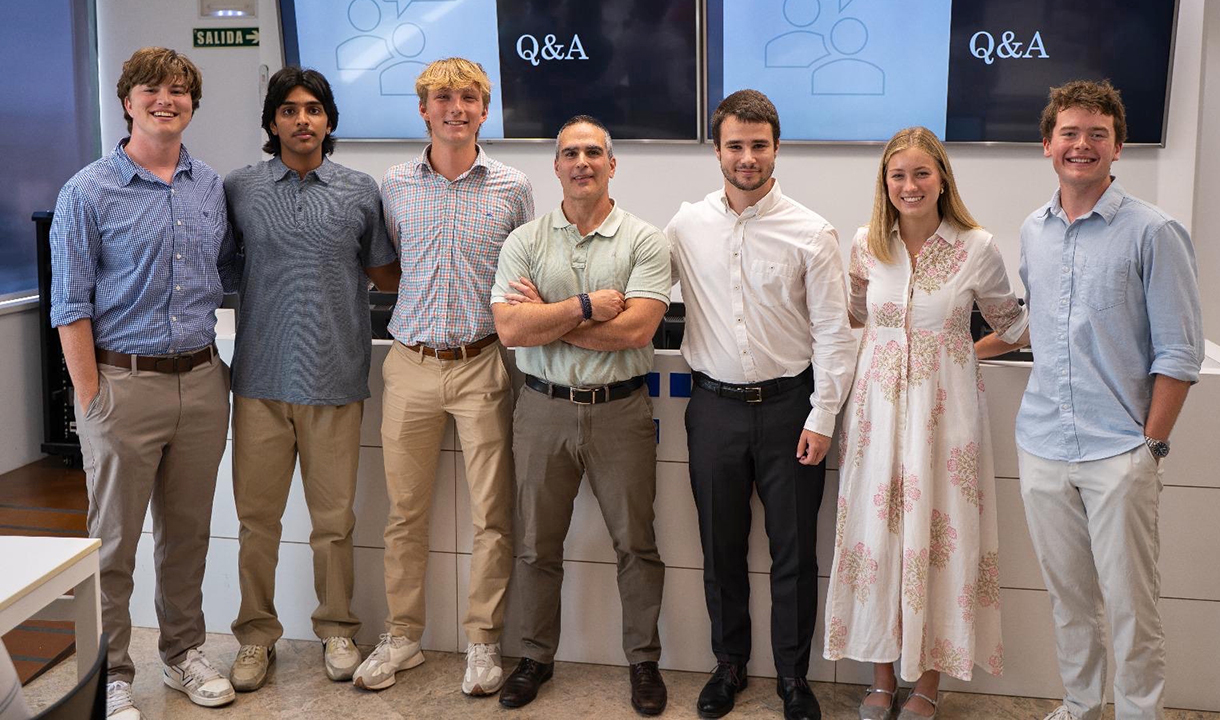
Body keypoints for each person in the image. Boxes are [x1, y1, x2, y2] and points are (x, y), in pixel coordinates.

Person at [48, 47, 239, 719]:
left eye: (180, 90)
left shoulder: (208, 184)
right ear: (126, 101)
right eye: (152, 89)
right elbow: (69, 304)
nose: (167, 99)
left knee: (187, 537)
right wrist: (91, 396)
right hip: (123, 386)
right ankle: (112, 672)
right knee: (115, 545)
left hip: (201, 381)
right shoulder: (88, 191)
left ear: (192, 104)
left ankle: (184, 653)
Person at [823, 126, 1028, 720]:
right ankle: (880, 678)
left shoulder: (977, 246)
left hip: (946, 419)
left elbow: (1012, 326)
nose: (909, 186)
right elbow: (856, 317)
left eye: (920, 174)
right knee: (877, 536)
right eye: (897, 175)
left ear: (942, 179)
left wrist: (957, 350)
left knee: (941, 538)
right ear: (884, 184)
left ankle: (929, 683)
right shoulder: (867, 244)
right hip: (875, 417)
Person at [664, 89, 856, 720]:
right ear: (716, 149)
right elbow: (636, 281)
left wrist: (822, 417)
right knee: (720, 547)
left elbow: (834, 333)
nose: (747, 157)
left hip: (790, 409)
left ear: (777, 148)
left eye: (759, 145)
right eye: (735, 145)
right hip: (712, 408)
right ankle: (729, 665)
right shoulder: (686, 225)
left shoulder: (811, 231)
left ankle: (794, 678)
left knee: (794, 552)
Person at [1016, 80, 1202, 720]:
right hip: (1042, 444)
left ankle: (1139, 713)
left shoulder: (1154, 232)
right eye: (1069, 132)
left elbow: (1179, 353)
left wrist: (1149, 447)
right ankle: (1079, 704)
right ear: (1047, 145)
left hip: (1118, 451)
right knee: (1070, 598)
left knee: (1130, 604)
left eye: (1097, 133)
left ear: (1117, 146)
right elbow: (1037, 325)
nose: (1082, 145)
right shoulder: (1032, 232)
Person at [351, 57, 533, 696]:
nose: (456, 108)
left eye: (469, 99)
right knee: (405, 513)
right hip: (410, 364)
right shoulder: (393, 184)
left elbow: (522, 278)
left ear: (485, 111)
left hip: (483, 362)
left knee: (493, 514)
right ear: (423, 109)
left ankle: (482, 643)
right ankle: (403, 637)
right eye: (443, 98)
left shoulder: (512, 185)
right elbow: (387, 267)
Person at [222, 67, 399, 692]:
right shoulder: (240, 188)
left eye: (315, 109)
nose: (303, 120)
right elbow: (218, 270)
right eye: (290, 110)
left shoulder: (359, 190)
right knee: (256, 523)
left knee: (334, 521)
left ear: (329, 120)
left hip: (334, 377)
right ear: (272, 121)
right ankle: (254, 637)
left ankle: (338, 629)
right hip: (261, 383)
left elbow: (386, 275)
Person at [490, 115, 670, 716]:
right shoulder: (526, 240)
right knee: (537, 546)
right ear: (557, 166)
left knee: (636, 544)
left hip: (621, 413)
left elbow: (639, 329)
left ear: (612, 164)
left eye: (594, 152)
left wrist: (554, 317)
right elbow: (513, 329)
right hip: (541, 409)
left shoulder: (644, 240)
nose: (582, 162)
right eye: (570, 153)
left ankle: (643, 660)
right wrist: (588, 308)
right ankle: (535, 657)